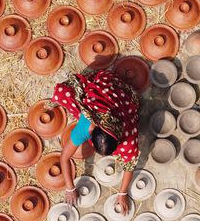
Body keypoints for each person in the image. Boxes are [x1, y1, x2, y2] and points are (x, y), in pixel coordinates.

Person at [52, 69, 140, 213]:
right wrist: (69, 187)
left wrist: (122, 194)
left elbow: (129, 165)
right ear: (92, 132)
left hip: (121, 98)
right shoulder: (86, 125)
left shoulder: (127, 136)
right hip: (103, 96)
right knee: (64, 93)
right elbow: (64, 157)